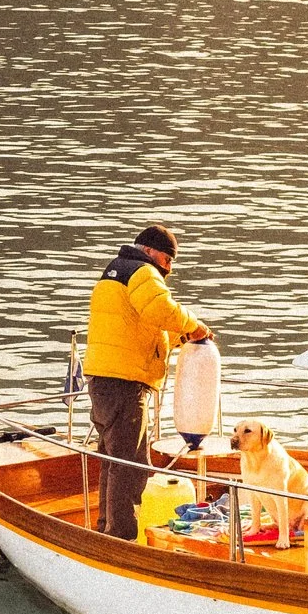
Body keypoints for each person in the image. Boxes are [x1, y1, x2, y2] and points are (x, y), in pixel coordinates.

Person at [83, 224, 211, 540]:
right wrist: (195, 327)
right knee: (131, 465)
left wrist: (182, 336)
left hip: (103, 379)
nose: (168, 270)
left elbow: (144, 326)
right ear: (152, 252)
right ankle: (122, 538)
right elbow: (160, 309)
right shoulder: (142, 272)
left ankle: (107, 529)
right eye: (168, 261)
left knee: (113, 460)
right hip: (125, 384)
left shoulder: (113, 273)